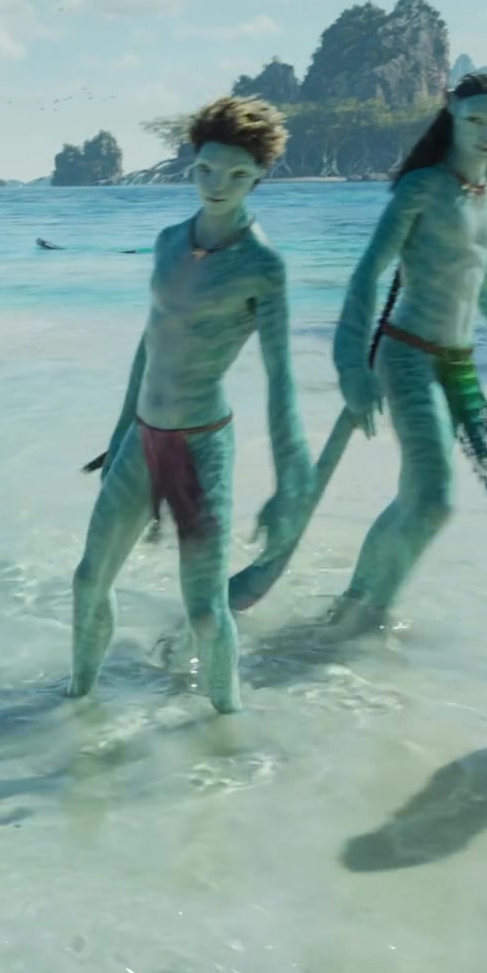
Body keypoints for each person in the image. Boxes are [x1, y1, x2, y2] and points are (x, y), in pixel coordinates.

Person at [70, 95, 313, 714]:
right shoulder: (167, 241)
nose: (217, 185)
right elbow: (149, 342)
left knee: (205, 611)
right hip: (142, 438)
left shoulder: (263, 265)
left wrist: (291, 481)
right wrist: (119, 434)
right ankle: (76, 707)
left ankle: (227, 726)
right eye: (206, 169)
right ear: (192, 162)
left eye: (236, 174)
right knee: (88, 581)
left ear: (259, 178)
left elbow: (281, 378)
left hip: (202, 446)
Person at [327, 70, 487, 635]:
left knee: (415, 496)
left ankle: (350, 604)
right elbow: (367, 273)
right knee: (435, 503)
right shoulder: (422, 187)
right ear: (452, 112)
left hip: (456, 365)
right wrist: (352, 367)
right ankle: (372, 615)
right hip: (407, 355)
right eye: (477, 119)